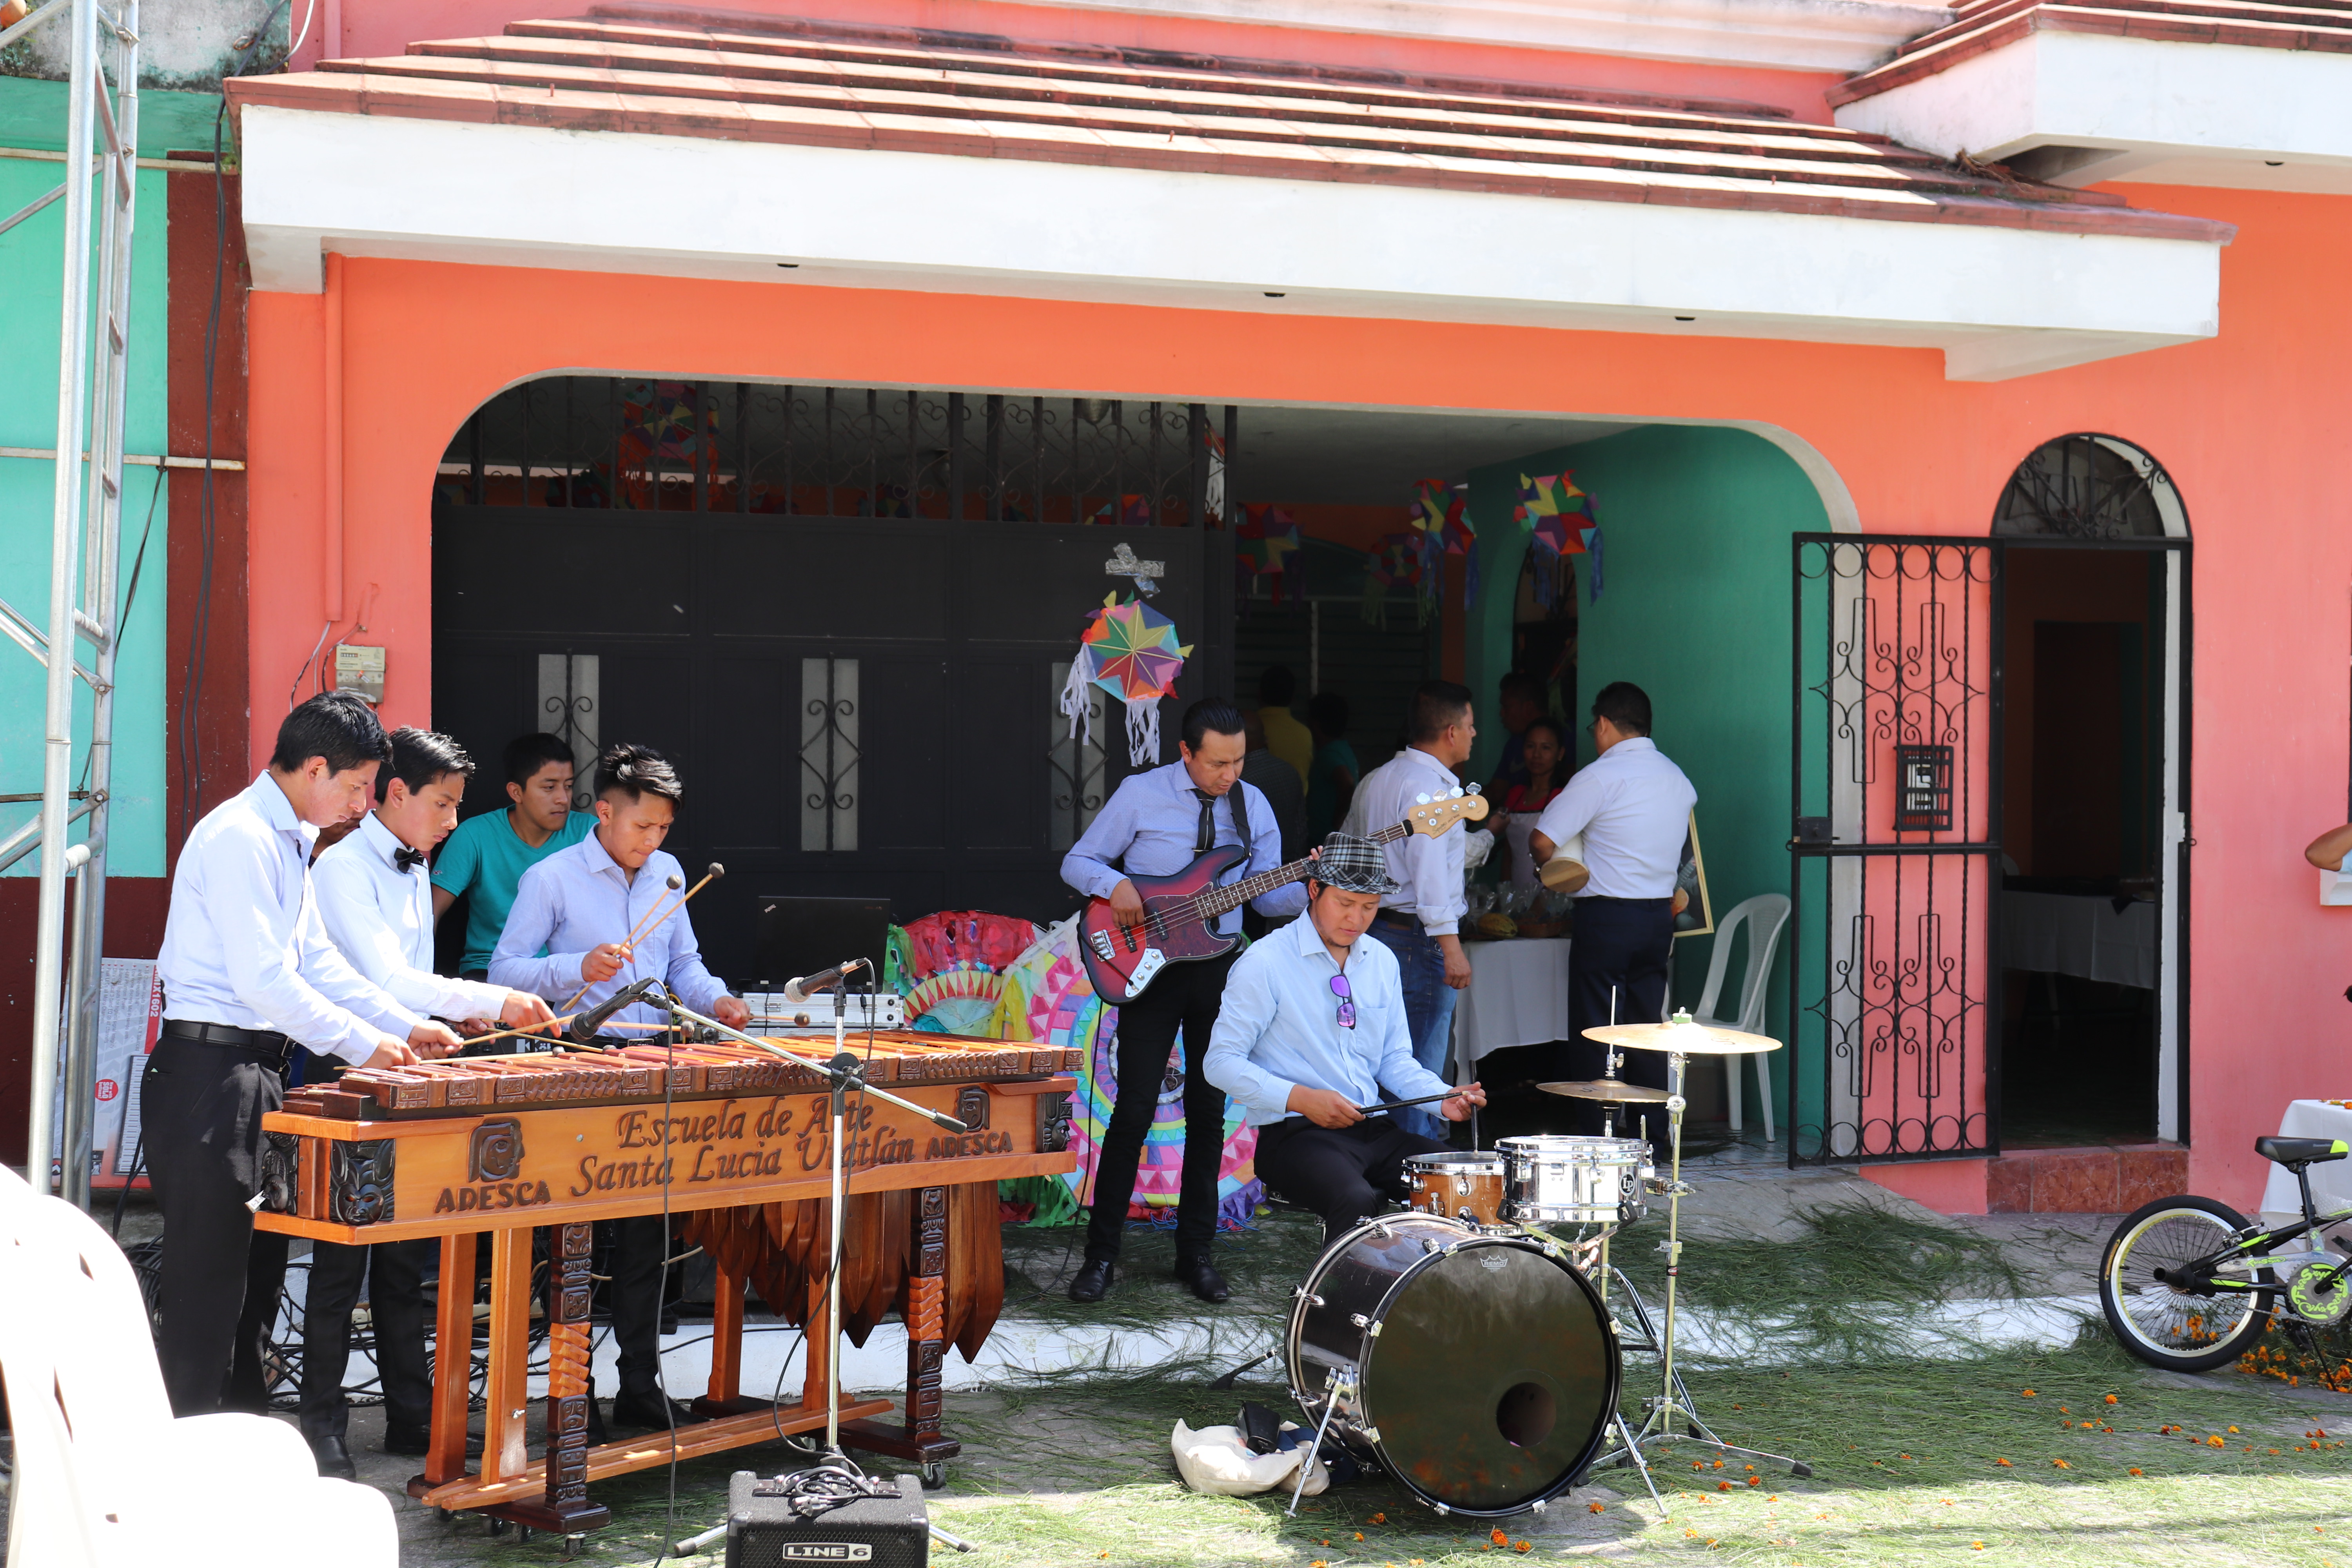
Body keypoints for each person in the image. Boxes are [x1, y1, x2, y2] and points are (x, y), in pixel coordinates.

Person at [145, 693, 465, 1420]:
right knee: (207, 1286)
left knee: (259, 1277)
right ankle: (180, 1464)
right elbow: (265, 981)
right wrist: (363, 1043)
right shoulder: (241, 837)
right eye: (356, 787)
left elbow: (316, 962)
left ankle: (245, 1441)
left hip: (258, 1074)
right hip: (208, 1077)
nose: (361, 804)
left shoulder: (289, 838)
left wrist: (404, 1027)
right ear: (315, 768)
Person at [301, 728, 555, 1475]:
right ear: (396, 794)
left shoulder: (415, 865)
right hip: (341, 1065)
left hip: (405, 1064)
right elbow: (386, 980)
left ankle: (414, 1418)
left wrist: (455, 1020)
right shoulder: (342, 869)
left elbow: (412, 981)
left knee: (404, 1260)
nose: (450, 822)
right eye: (441, 805)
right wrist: (501, 998)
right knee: (340, 1261)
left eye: (457, 806)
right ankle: (323, 1426)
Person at [491, 742, 751, 1431]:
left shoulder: (668, 874)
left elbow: (686, 964)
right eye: (642, 827)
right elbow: (503, 971)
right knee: (574, 1237)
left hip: (657, 1059)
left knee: (646, 1235)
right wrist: (578, 965)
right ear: (603, 812)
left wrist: (717, 1000)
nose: (653, 841)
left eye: (664, 829)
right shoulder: (553, 878)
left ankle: (640, 1384)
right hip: (585, 1060)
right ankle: (568, 1396)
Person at [1058, 699, 1308, 1305]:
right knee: (1134, 1110)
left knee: (1208, 1112)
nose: (1230, 775)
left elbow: (1270, 898)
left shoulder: (1254, 806)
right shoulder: (1141, 794)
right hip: (1149, 971)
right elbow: (1077, 861)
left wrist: (1310, 890)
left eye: (1239, 761)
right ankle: (1100, 1256)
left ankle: (1195, 1253)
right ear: (1186, 753)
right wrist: (1114, 884)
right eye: (1217, 763)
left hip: (1221, 972)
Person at [1203, 833, 1486, 1248]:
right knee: (1355, 1199)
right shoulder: (1265, 961)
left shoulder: (1381, 960)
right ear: (1314, 890)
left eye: (1370, 907)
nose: (1356, 918)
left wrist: (1441, 1096)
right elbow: (1220, 1062)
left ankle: (1449, 1298)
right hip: (1296, 1134)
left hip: (1372, 1127)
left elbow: (1393, 1059)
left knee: (1465, 1185)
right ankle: (1338, 1309)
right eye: (1345, 903)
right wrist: (1302, 1098)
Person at [1531, 681, 1697, 1134]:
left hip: (1606, 917)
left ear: (1603, 724)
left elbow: (1542, 841)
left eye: (1593, 727)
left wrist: (1553, 868)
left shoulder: (1599, 776)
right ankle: (1650, 1139)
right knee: (1645, 1029)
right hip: (1655, 921)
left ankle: (1595, 1137)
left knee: (1594, 1030)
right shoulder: (1677, 779)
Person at [1342, 681, 1477, 1141]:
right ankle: (1414, 1171)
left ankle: (1390, 1164)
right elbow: (1430, 872)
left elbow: (1348, 850)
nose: (1476, 735)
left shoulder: (1376, 779)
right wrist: (1451, 946)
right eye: (1472, 726)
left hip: (1375, 930)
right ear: (1452, 731)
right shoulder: (1431, 789)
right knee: (1417, 1063)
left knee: (1383, 1059)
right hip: (1417, 939)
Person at [432, 732, 597, 984]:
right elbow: (429, 914)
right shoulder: (475, 835)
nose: (563, 799)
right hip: (491, 972)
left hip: (571, 973)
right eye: (549, 787)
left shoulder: (590, 833)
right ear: (516, 792)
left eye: (569, 786)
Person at [1501, 715, 1572, 889]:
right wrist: (1505, 891)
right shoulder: (1514, 795)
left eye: (1546, 748)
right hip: (1517, 892)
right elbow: (1509, 852)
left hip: (1551, 892)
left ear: (1560, 753)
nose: (1537, 755)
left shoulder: (1563, 797)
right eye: (1531, 746)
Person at [1241, 708, 1306, 865]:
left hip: (1255, 871)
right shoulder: (1290, 771)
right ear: (1264, 738)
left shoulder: (1239, 782)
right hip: (1289, 864)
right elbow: (1300, 828)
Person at [1303, 690, 1359, 844]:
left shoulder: (1329, 754)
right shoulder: (1344, 749)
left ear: (1315, 724)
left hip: (1324, 839)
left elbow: (1347, 783)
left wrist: (1338, 818)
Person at [1487, 670, 1550, 797]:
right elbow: (1496, 792)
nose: (1502, 713)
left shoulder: (1565, 737)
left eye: (1507, 707)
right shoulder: (1514, 744)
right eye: (1531, 746)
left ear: (1528, 708)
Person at [1254, 664, 1314, 782]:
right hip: (1297, 800)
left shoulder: (1252, 731)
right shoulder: (1305, 734)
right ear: (1292, 698)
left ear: (1259, 694)